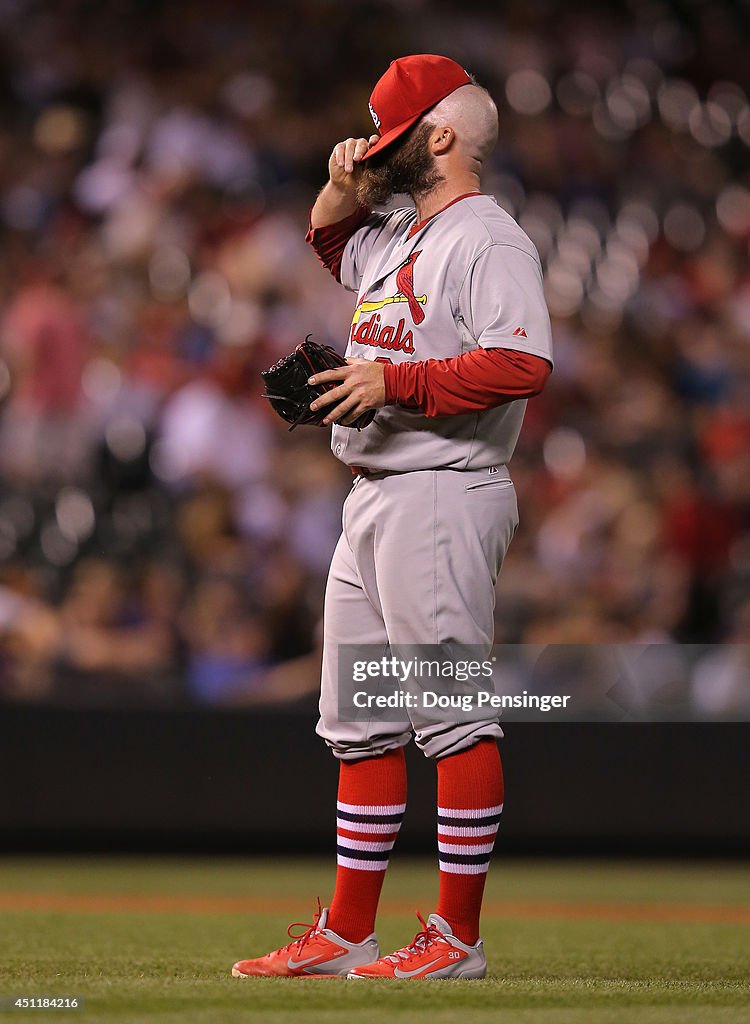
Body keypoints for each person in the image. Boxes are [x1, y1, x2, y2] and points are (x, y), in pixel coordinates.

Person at [232, 53, 552, 981]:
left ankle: (457, 937)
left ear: (440, 137)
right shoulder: (399, 232)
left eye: (393, 133)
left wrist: (393, 380)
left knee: (452, 718)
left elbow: (521, 363)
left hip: (445, 486)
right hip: (375, 494)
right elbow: (330, 244)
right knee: (363, 724)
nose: (378, 149)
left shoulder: (487, 238)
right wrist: (343, 184)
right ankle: (347, 930)